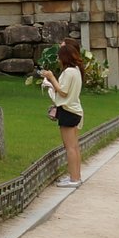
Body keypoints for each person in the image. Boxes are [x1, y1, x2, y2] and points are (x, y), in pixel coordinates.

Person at [40, 38, 85, 188]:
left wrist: (51, 78)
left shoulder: (69, 72)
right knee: (74, 146)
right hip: (75, 110)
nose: (58, 59)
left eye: (59, 56)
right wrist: (52, 84)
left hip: (68, 112)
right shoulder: (76, 70)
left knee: (70, 147)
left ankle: (73, 179)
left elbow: (63, 92)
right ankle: (76, 176)